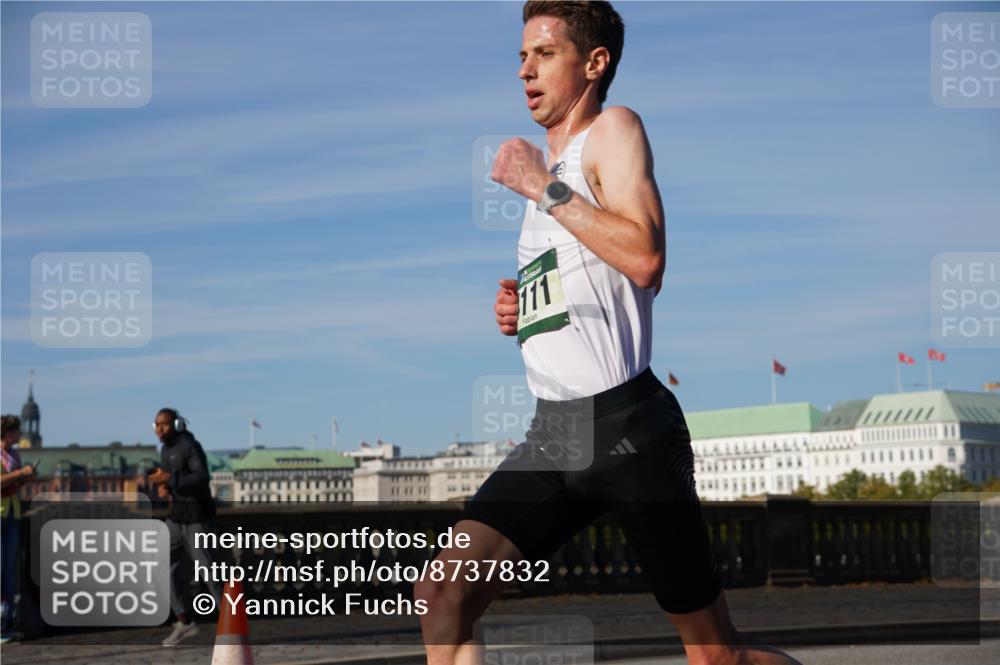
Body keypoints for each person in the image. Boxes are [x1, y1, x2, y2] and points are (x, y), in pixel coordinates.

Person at [415, 3, 800, 665]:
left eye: (543, 54)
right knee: (443, 592)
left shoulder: (613, 130)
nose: (524, 71)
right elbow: (585, 290)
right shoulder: (552, 182)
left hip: (628, 430)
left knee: (713, 655)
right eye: (520, 57)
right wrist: (520, 312)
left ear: (594, 63)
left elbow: (646, 257)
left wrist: (540, 185)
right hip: (553, 432)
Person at [150, 407, 221, 647]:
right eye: (156, 425)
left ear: (177, 425)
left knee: (210, 572)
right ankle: (185, 621)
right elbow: (172, 482)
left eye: (164, 424)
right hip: (176, 518)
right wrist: (164, 488)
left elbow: (202, 478)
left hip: (197, 518)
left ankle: (231, 625)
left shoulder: (190, 446)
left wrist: (169, 480)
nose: (159, 429)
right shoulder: (165, 449)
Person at [1, 415, 35, 644]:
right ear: (8, 432)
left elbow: (12, 484)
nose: (20, 435)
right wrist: (20, 474)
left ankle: (7, 622)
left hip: (12, 513)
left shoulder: (15, 454)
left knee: (10, 571)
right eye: (17, 431)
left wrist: (25, 478)